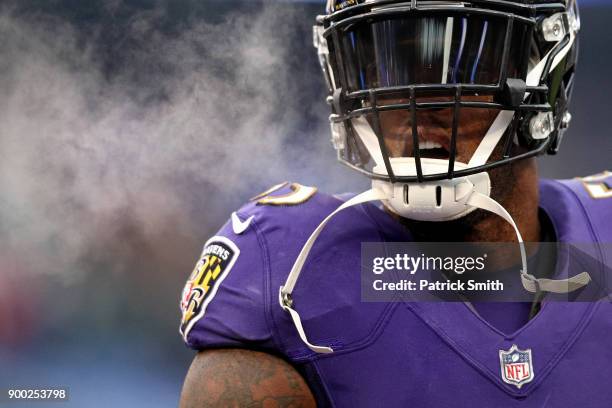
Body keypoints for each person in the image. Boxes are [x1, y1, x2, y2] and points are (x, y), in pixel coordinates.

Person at [178, 0, 612, 406]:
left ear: (542, 80)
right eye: (388, 68)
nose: (418, 102)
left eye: (464, 68)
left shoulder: (603, 238)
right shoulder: (293, 267)